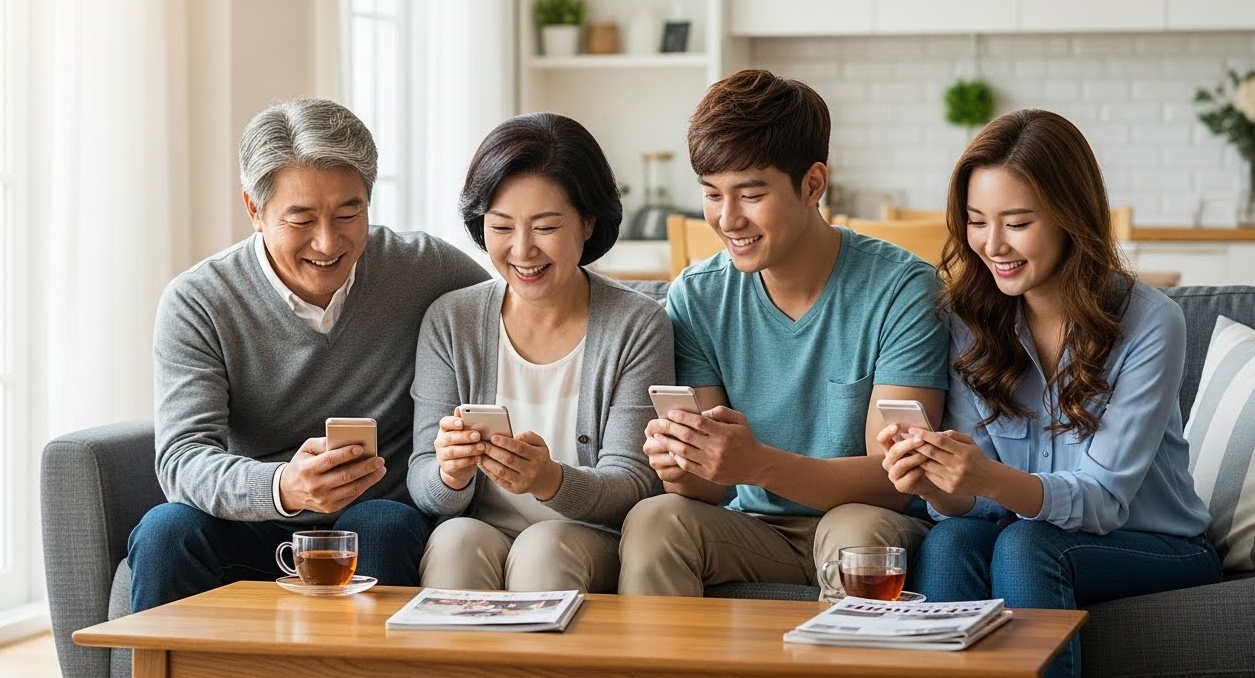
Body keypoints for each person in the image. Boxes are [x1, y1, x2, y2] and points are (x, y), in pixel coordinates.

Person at [882, 109, 1220, 678]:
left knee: (1027, 546)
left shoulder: (1151, 323)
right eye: (976, 221)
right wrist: (938, 485)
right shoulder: (969, 319)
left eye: (1017, 222)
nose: (993, 245)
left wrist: (986, 478)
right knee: (950, 543)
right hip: (1026, 530)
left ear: (1070, 217)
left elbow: (1104, 501)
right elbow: (981, 502)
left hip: (1154, 542)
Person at [127, 99, 489, 611]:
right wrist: (284, 486)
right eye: (301, 219)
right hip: (250, 519)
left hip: (378, 517)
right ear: (254, 209)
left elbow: (521, 312)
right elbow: (183, 459)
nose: (327, 241)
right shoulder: (199, 301)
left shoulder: (423, 269)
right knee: (166, 531)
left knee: (382, 522)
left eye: (349, 213)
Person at [618, 69, 950, 598]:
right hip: (753, 529)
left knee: (854, 532)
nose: (728, 219)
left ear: (813, 184)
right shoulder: (698, 297)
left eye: (750, 194)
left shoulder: (902, 290)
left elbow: (891, 480)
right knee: (657, 520)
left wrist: (759, 464)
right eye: (711, 194)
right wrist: (683, 466)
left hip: (865, 521)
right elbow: (710, 488)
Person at [409, 112, 673, 593]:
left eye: (545, 226)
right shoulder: (451, 321)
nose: (522, 250)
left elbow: (634, 483)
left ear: (588, 222)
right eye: (501, 226)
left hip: (589, 535)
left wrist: (549, 479)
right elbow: (424, 483)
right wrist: (447, 473)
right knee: (453, 540)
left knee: (543, 549)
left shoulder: (638, 324)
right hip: (482, 529)